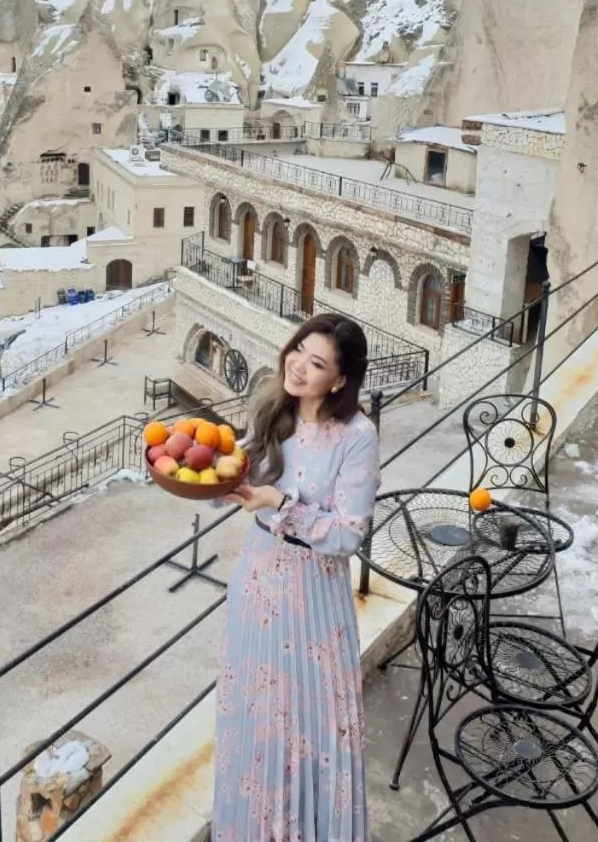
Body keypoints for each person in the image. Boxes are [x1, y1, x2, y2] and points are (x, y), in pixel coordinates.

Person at [212, 313, 381, 842]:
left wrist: (280, 504)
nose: (299, 367)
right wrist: (214, 477)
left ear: (340, 379)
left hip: (312, 595)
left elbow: (348, 534)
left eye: (317, 362)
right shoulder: (272, 412)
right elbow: (238, 475)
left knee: (309, 723)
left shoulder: (356, 436)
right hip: (257, 582)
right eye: (298, 351)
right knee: (258, 715)